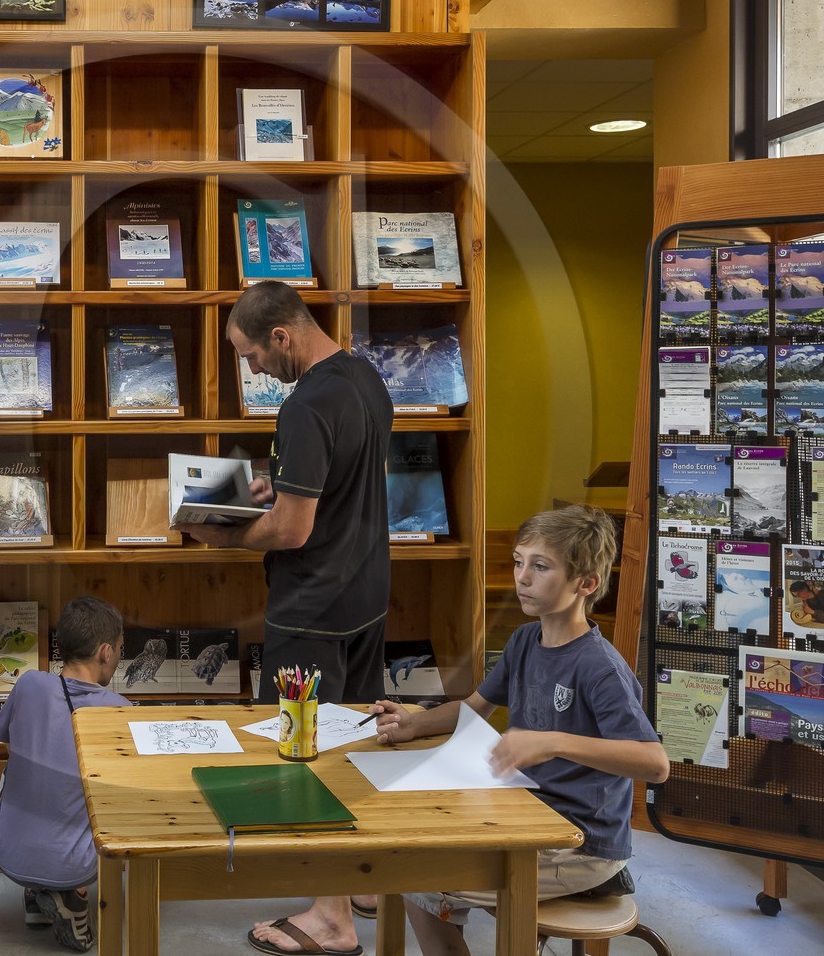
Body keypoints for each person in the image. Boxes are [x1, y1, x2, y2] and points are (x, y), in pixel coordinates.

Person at [179, 280, 392, 956]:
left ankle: (331, 919)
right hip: (364, 599)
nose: (252, 370)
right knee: (355, 747)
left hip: (311, 610)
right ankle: (361, 882)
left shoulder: (305, 404)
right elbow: (336, 485)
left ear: (281, 336)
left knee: (306, 757)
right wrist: (272, 487)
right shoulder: (364, 377)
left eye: (250, 355)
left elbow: (293, 532)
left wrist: (220, 533)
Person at [368, 506, 670, 956]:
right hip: (524, 816)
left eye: (541, 566)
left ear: (586, 583)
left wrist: (552, 742)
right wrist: (415, 724)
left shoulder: (599, 667)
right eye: (518, 561)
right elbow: (474, 707)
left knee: (416, 873)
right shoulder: (525, 641)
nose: (522, 577)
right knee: (405, 848)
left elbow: (654, 763)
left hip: (581, 844)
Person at [0, 595, 129, 952]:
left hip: (7, 850)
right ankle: (73, 896)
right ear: (106, 652)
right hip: (74, 864)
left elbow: (3, 736)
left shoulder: (29, 683)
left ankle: (36, 893)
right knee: (117, 795)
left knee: (20, 770)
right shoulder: (119, 710)